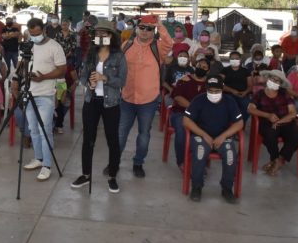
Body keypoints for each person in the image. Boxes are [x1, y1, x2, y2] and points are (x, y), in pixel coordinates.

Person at [71, 20, 127, 193]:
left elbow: (122, 81)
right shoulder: (90, 54)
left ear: (111, 37)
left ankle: (112, 176)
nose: (100, 37)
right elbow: (82, 77)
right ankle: (86, 174)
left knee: (112, 140)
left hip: (111, 103)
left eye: (105, 34)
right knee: (88, 139)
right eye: (97, 34)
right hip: (92, 101)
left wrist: (105, 79)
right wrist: (89, 83)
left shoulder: (119, 56)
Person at [117, 14, 173, 178]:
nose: (145, 32)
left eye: (149, 29)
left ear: (153, 31)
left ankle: (138, 163)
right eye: (142, 27)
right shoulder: (126, 45)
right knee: (121, 133)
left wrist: (160, 25)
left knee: (144, 134)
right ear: (136, 28)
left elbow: (169, 43)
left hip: (148, 100)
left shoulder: (158, 47)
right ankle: (115, 161)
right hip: (126, 98)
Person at [14, 18, 67, 181]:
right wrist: (16, 82)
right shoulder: (28, 45)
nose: (34, 36)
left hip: (45, 94)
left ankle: (47, 165)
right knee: (33, 129)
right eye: (31, 34)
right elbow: (21, 65)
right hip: (28, 92)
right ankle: (38, 158)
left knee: (45, 130)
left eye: (37, 33)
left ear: (44, 30)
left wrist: (43, 77)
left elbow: (62, 70)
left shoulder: (54, 46)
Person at [182, 76, 244, 203]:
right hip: (202, 135)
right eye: (210, 91)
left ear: (222, 90)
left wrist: (224, 136)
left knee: (231, 155)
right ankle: (196, 187)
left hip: (222, 136)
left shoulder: (229, 101)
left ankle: (226, 188)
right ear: (206, 89)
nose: (213, 94)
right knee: (199, 153)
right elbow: (186, 120)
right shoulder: (199, 100)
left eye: (217, 91)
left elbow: (239, 123)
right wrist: (204, 135)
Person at [248, 70, 298, 176]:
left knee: (296, 135)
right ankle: (275, 159)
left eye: (277, 81)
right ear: (267, 79)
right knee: (270, 135)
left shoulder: (284, 94)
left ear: (280, 84)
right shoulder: (260, 94)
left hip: (285, 121)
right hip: (267, 122)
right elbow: (250, 109)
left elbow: (292, 112)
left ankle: (279, 160)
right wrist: (268, 115)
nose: (274, 82)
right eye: (272, 79)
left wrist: (280, 121)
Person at [169, 57, 209, 170]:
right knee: (182, 131)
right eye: (199, 66)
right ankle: (182, 161)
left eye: (205, 67)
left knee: (209, 129)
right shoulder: (185, 80)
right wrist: (194, 108)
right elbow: (177, 97)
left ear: (208, 71)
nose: (201, 68)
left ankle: (201, 163)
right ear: (195, 67)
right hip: (181, 113)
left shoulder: (210, 85)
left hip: (201, 116)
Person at [220, 50, 252, 124]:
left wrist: (245, 92)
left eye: (237, 58)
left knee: (247, 106)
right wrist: (232, 91)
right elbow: (219, 83)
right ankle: (229, 126)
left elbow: (250, 86)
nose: (234, 60)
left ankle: (241, 125)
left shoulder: (245, 71)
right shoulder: (225, 70)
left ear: (240, 60)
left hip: (242, 94)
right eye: (232, 58)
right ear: (229, 59)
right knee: (228, 106)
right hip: (228, 94)